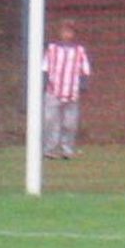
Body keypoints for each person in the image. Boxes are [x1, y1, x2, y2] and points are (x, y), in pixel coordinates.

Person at [43, 18, 92, 160]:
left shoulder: (79, 51)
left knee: (69, 123)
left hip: (71, 92)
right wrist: (45, 83)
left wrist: (83, 85)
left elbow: (85, 69)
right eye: (64, 31)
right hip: (53, 90)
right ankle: (50, 149)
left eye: (70, 31)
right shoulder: (52, 49)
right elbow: (45, 67)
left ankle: (67, 149)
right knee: (50, 121)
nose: (67, 34)